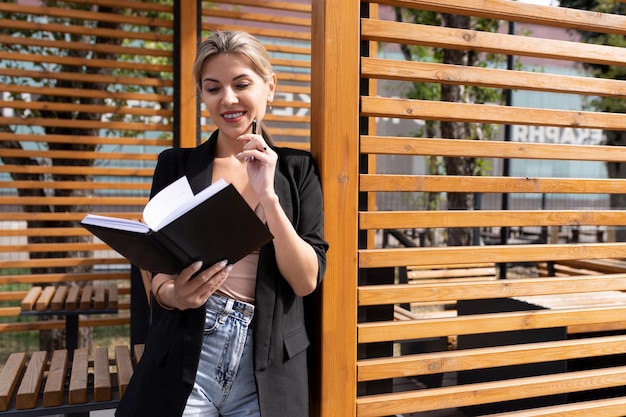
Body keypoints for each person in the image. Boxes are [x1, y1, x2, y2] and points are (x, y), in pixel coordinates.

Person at [115, 30, 328, 417]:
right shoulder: (175, 166)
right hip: (186, 349)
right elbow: (155, 266)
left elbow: (305, 280)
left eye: (241, 84)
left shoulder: (298, 170)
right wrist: (172, 295)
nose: (228, 99)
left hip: (266, 363)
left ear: (270, 87)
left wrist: (269, 197)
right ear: (203, 95)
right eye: (213, 88)